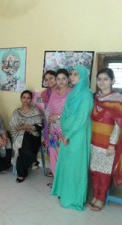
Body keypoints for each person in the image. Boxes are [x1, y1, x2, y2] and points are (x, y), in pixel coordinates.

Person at [51, 65, 93, 211]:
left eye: (76, 75)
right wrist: (64, 132)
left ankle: (74, 197)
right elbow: (65, 113)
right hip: (66, 135)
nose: (72, 77)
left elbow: (81, 119)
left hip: (77, 136)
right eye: (72, 74)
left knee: (75, 167)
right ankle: (65, 192)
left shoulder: (86, 94)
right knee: (66, 165)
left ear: (83, 77)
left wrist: (68, 134)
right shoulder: (73, 93)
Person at [89, 68, 122, 211]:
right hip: (93, 141)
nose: (102, 82)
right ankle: (95, 195)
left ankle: (101, 198)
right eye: (99, 79)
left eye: (106, 79)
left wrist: (112, 144)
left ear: (113, 81)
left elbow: (118, 125)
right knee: (94, 171)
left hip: (108, 144)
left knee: (105, 173)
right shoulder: (94, 98)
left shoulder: (118, 100)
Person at [9, 90, 43, 183]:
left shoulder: (35, 110)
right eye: (24, 97)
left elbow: (39, 126)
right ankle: (33, 160)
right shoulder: (16, 112)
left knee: (24, 140)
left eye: (28, 98)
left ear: (31, 100)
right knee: (23, 142)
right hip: (19, 137)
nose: (26, 100)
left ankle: (21, 174)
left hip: (34, 138)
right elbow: (13, 127)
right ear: (21, 99)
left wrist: (24, 127)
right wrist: (26, 129)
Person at [45, 69, 72, 183]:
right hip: (53, 130)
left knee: (64, 156)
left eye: (63, 78)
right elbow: (48, 108)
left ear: (68, 79)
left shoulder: (72, 93)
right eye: (58, 79)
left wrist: (58, 117)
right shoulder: (54, 93)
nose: (60, 81)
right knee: (53, 154)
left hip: (65, 130)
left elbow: (73, 113)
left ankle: (64, 183)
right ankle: (57, 181)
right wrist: (49, 117)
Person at [41, 70, 57, 177]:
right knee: (51, 152)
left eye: (51, 78)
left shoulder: (63, 92)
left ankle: (59, 179)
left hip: (61, 127)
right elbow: (46, 113)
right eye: (46, 79)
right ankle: (55, 176)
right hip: (49, 126)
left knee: (60, 153)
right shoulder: (45, 94)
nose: (49, 81)